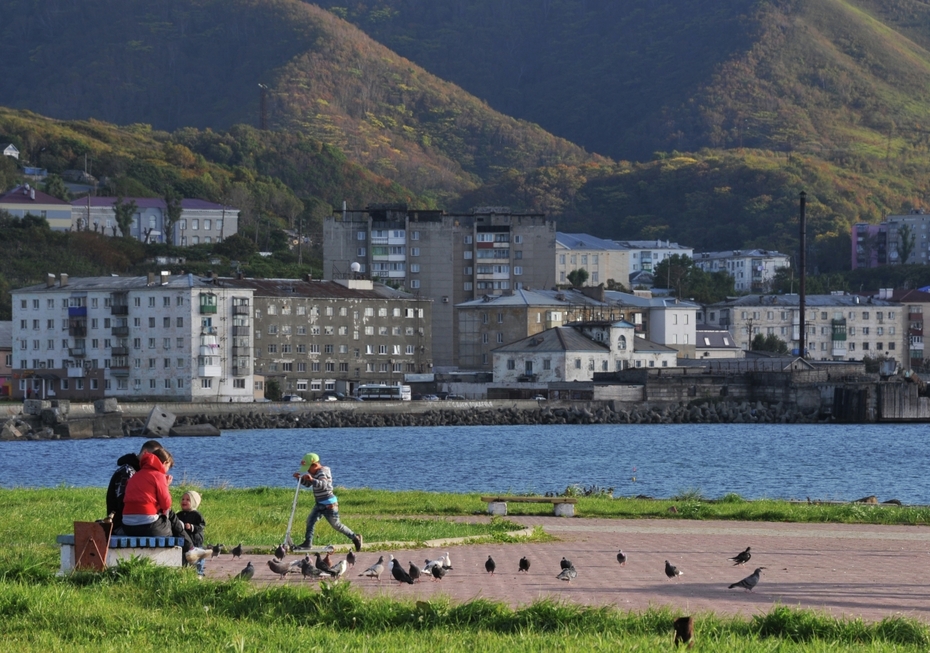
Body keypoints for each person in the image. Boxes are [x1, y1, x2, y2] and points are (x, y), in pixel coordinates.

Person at [121, 447, 191, 550]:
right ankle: (190, 549)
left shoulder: (136, 476)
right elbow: (166, 504)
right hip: (148, 526)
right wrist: (166, 486)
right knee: (171, 521)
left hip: (128, 526)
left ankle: (190, 547)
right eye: (169, 467)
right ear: (165, 463)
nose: (167, 471)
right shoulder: (159, 476)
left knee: (170, 518)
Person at [293, 452, 362, 552]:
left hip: (329, 505)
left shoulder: (322, 472)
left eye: (308, 468)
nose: (308, 471)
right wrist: (300, 479)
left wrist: (312, 480)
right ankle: (308, 542)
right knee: (310, 521)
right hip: (319, 504)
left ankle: (355, 538)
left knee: (336, 525)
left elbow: (324, 485)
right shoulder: (315, 473)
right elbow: (309, 485)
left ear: (315, 465)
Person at [104, 439, 165, 534]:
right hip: (123, 524)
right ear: (145, 453)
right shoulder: (127, 473)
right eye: (155, 458)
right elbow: (124, 503)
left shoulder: (142, 473)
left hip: (136, 522)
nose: (157, 462)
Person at [176, 491, 206, 576]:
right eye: (183, 499)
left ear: (194, 502)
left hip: (195, 540)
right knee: (184, 557)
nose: (184, 501)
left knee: (197, 558)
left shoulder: (196, 515)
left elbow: (201, 526)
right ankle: (185, 572)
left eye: (188, 500)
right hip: (184, 542)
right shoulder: (179, 515)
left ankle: (199, 573)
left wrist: (192, 527)